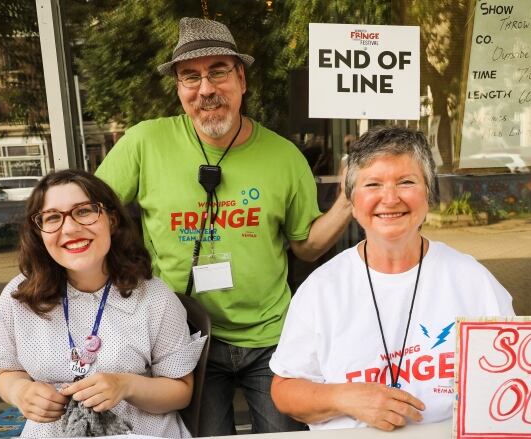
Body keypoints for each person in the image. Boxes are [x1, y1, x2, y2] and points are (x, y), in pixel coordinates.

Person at [269, 126, 531, 439]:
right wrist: (345, 398)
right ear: (351, 200)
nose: (390, 198)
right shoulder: (323, 289)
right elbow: (284, 391)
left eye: (406, 181)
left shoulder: (471, 279)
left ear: (428, 196)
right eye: (372, 185)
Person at [94, 17, 352, 436]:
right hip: (185, 338)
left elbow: (306, 247)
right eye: (190, 77)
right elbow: (92, 210)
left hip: (272, 337)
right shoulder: (145, 143)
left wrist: (349, 200)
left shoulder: (284, 156)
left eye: (218, 72)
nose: (206, 89)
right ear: (179, 90)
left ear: (241, 80)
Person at [0, 169, 206, 438]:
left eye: (84, 211)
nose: (70, 228)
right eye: (53, 217)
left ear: (111, 219)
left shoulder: (154, 298)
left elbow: (180, 391)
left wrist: (126, 385)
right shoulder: (19, 297)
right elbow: (8, 373)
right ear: (39, 232)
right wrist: (19, 392)